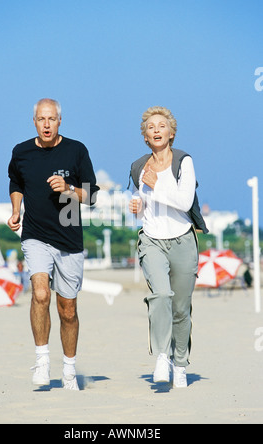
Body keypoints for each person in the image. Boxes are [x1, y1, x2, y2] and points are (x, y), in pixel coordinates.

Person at [8, 98, 99, 390]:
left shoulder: (76, 150)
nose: (46, 125)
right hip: (35, 235)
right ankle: (42, 360)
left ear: (60, 120)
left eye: (52, 119)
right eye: (41, 119)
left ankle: (69, 369)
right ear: (34, 121)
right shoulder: (21, 152)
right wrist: (15, 211)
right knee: (40, 293)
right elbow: (15, 182)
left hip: (69, 238)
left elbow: (93, 195)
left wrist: (70, 189)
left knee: (67, 309)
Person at [129, 106, 206, 389]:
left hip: (183, 240)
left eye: (162, 125)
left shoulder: (183, 162)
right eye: (151, 127)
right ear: (146, 137)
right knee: (161, 294)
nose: (157, 130)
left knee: (181, 309)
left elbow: (184, 202)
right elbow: (145, 206)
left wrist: (156, 183)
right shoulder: (139, 167)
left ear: (171, 133)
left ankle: (180, 364)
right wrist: (137, 206)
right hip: (151, 240)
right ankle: (162, 355)